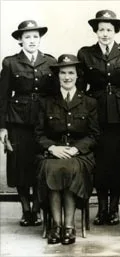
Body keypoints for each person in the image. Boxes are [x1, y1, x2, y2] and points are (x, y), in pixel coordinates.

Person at [77, 9, 120, 226]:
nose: (105, 34)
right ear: (96, 31)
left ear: (116, 31)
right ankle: (101, 209)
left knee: (119, 161)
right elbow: (79, 88)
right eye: (101, 29)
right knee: (100, 161)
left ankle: (114, 209)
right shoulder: (85, 53)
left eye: (109, 30)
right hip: (95, 114)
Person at [35, 54, 99, 245]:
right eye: (63, 73)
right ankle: (56, 225)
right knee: (52, 169)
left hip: (79, 155)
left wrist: (76, 149)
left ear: (78, 75)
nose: (67, 77)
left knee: (71, 169)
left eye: (71, 73)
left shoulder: (89, 102)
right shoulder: (46, 102)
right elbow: (38, 134)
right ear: (58, 76)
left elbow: (94, 135)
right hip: (52, 153)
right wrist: (53, 147)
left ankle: (69, 227)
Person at [0, 20, 57, 227]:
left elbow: (54, 94)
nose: (32, 41)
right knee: (19, 165)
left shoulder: (50, 61)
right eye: (27, 37)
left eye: (35, 36)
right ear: (20, 40)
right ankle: (26, 210)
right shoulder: (10, 63)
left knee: (40, 164)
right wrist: (2, 127)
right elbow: (3, 97)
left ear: (39, 39)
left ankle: (37, 208)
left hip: (43, 121)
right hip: (19, 121)